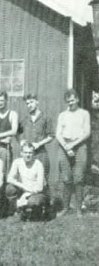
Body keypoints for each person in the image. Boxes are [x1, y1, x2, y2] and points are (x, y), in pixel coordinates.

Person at [56, 89, 90, 217]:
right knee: (66, 178)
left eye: (72, 100)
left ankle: (78, 209)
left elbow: (87, 133)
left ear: (77, 99)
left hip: (80, 145)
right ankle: (65, 208)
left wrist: (73, 145)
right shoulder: (62, 115)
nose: (70, 103)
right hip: (64, 146)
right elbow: (58, 134)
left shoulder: (84, 113)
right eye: (68, 101)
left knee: (79, 178)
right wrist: (66, 146)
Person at [6, 143, 47, 220]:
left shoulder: (38, 164)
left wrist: (26, 195)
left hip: (36, 192)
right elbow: (9, 179)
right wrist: (23, 186)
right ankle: (16, 211)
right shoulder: (17, 162)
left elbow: (40, 188)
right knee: (9, 188)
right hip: (24, 189)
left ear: (33, 153)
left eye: (30, 153)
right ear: (21, 153)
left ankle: (36, 210)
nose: (28, 155)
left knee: (32, 202)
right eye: (25, 152)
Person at [19, 94, 54, 179]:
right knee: (27, 178)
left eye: (31, 102)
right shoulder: (25, 118)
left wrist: (39, 144)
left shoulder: (46, 118)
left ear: (37, 102)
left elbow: (51, 136)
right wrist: (21, 140)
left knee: (42, 179)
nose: (29, 105)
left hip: (41, 153)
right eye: (27, 103)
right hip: (27, 154)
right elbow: (17, 132)